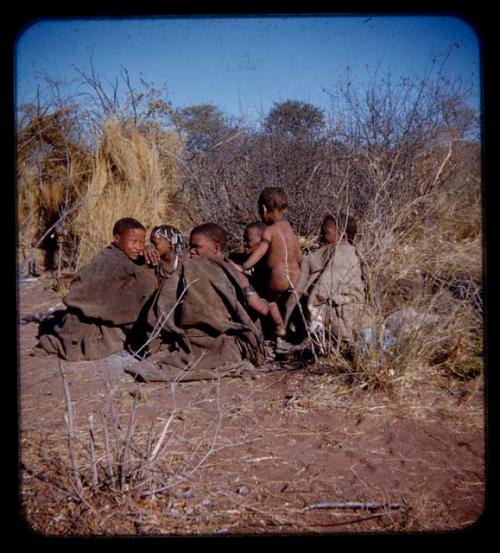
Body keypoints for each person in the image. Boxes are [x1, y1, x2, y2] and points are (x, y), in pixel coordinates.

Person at [126, 222, 267, 383]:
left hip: (216, 341)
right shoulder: (185, 268)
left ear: (215, 249)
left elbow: (253, 306)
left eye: (197, 247)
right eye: (190, 247)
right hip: (194, 340)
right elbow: (164, 305)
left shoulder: (232, 271)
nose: (192, 251)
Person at [36, 218, 157, 361]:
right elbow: (82, 295)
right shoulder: (111, 262)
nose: (139, 247)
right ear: (117, 238)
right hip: (85, 335)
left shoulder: (117, 255)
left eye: (142, 242)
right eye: (134, 241)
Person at [283, 212, 367, 352]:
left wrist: (311, 307)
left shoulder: (344, 251)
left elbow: (326, 285)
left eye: (325, 232)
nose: (321, 236)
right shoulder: (328, 253)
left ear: (342, 235)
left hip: (341, 315)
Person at [232, 187, 301, 337]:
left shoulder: (269, 230)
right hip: (296, 274)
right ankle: (293, 328)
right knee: (290, 300)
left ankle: (279, 327)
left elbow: (261, 251)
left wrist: (243, 267)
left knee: (271, 300)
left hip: (279, 277)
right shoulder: (289, 228)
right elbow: (297, 250)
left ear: (264, 209)